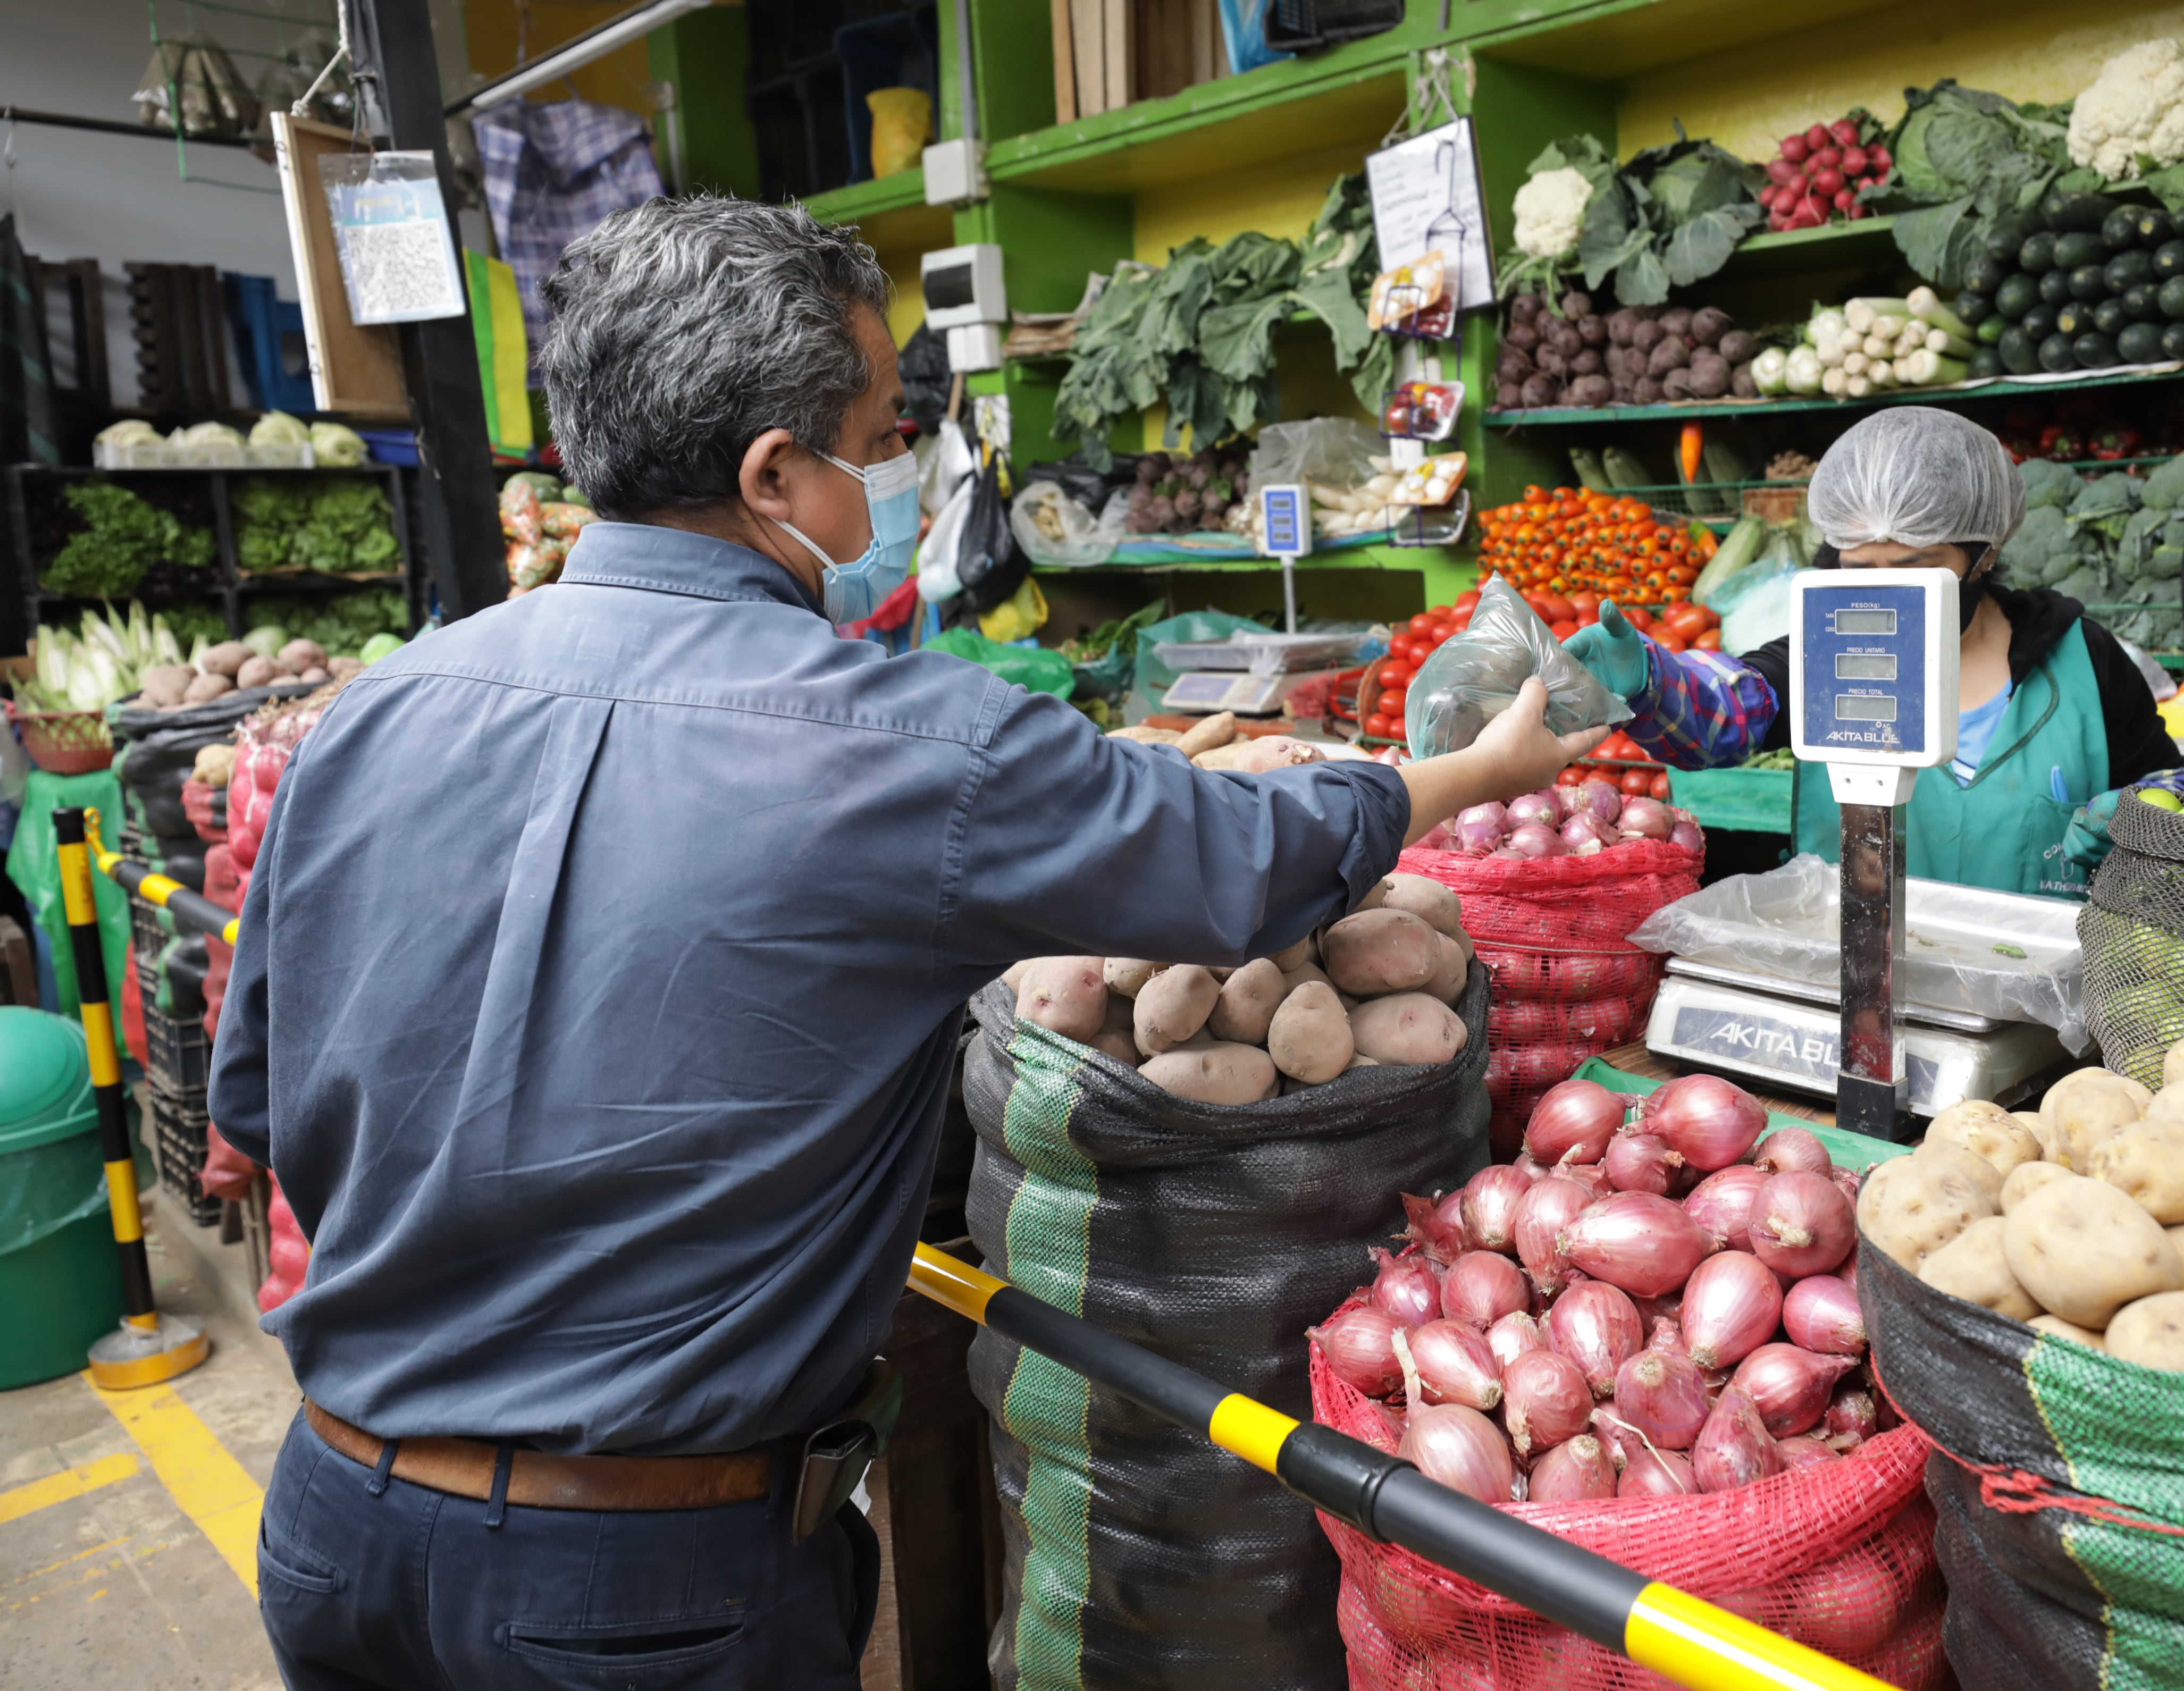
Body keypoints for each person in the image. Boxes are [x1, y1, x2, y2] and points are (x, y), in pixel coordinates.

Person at [208, 196, 1602, 1691]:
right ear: (771, 474)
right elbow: (1232, 862)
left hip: (332, 1527)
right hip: (631, 1591)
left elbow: (256, 1104)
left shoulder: (379, 710)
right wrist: (1467, 772)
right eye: (876, 445)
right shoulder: (886, 739)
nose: (888, 487)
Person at [1563, 405, 2180, 898]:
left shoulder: (2082, 659)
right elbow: (1730, 711)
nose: (1886, 590)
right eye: (1860, 568)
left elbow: (2178, 790)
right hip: (1856, 977)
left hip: (2036, 997)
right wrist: (1651, 680)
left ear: (1984, 553)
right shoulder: (1825, 652)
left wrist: (2141, 818)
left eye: (1915, 567)